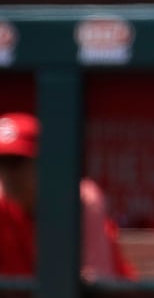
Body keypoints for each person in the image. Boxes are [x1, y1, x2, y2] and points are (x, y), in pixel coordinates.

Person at [0, 112, 136, 280]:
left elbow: (97, 281)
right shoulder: (3, 206)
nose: (7, 175)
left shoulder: (79, 200)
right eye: (2, 164)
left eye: (16, 163)